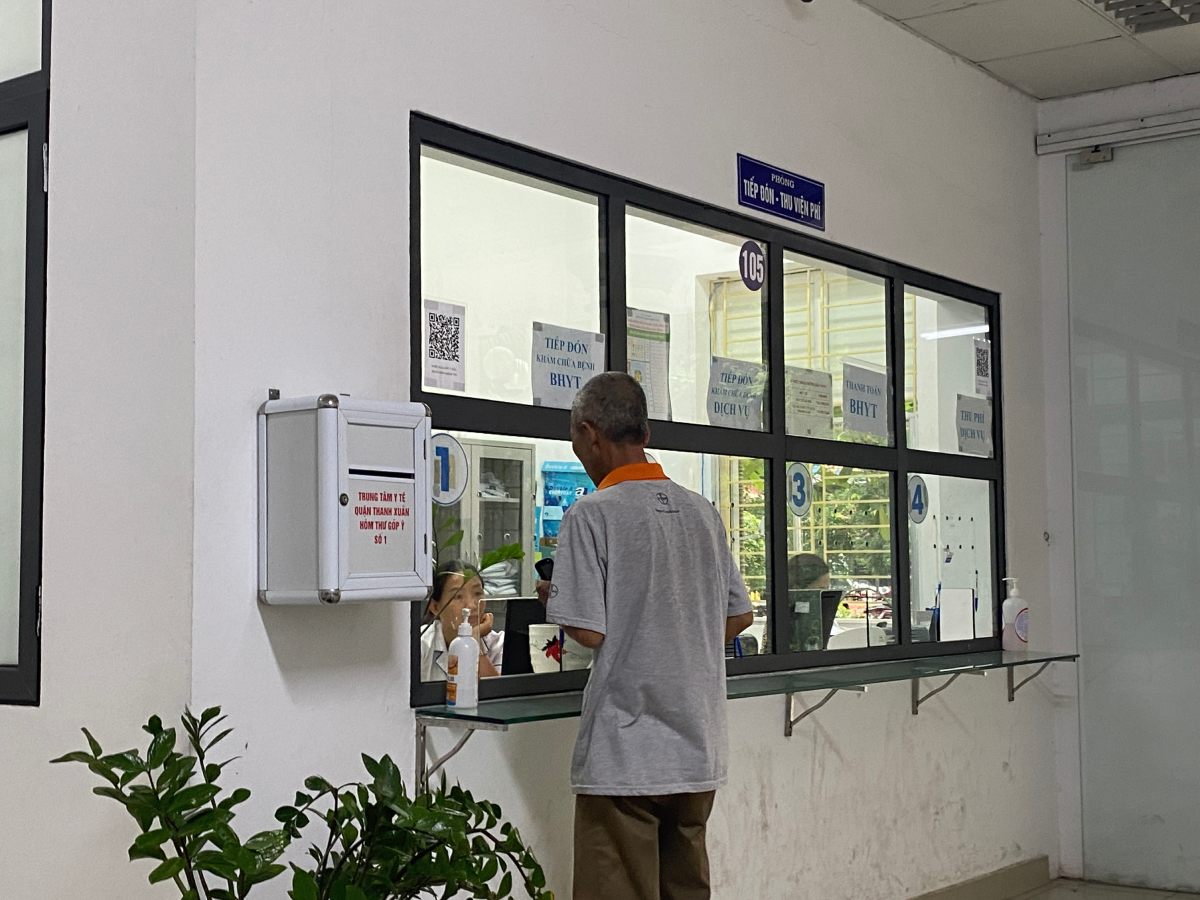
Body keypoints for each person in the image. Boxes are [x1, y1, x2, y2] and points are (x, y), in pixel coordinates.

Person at [546, 371, 753, 900]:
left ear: (591, 435)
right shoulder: (703, 513)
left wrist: (556, 598)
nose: (581, 457)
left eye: (577, 444)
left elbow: (588, 631)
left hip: (625, 758)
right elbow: (736, 617)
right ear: (646, 433)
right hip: (696, 752)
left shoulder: (591, 515)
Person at [420, 561, 503, 681]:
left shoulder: (498, 644)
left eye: (478, 593)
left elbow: (496, 695)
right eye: (458, 596)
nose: (471, 605)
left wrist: (475, 641)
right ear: (435, 607)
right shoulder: (420, 644)